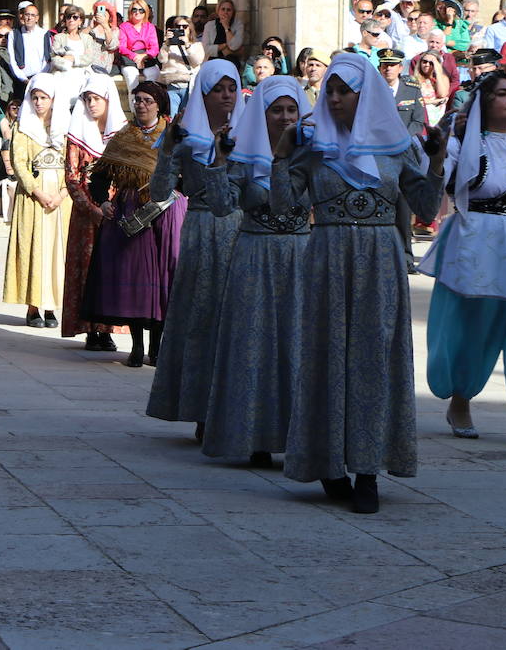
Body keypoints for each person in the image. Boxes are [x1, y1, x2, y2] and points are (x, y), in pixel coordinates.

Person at [273, 53, 444, 514]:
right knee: (326, 354)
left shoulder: (397, 145)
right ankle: (329, 463)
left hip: (380, 260)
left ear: (364, 94)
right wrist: (282, 157)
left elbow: (425, 207)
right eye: (329, 89)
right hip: (327, 257)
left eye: (343, 90)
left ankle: (367, 469)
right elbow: (284, 204)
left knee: (373, 358)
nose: (333, 98)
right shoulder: (313, 145)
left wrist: (437, 160)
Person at [200, 77, 311, 467]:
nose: (284, 117)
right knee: (255, 345)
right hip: (255, 256)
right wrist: (219, 160)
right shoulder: (244, 156)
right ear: (261, 113)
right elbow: (219, 207)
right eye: (276, 110)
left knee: (299, 344)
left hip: (301, 257)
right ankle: (255, 436)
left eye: (291, 110)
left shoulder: (313, 154)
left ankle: (300, 434)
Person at [146, 60, 244, 435]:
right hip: (202, 229)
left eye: (231, 88)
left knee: (236, 317)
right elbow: (159, 193)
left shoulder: (253, 132)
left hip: (242, 230)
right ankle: (201, 406)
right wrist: (168, 151)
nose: (225, 95)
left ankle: (235, 404)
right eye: (217, 88)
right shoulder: (187, 134)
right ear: (202, 91)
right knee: (202, 316)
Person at [421, 72, 506, 441]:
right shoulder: (467, 144)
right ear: (484, 103)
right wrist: (443, 143)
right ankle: (461, 398)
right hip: (479, 243)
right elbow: (439, 174)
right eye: (501, 94)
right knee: (476, 325)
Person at [81, 82, 187, 368]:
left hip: (166, 212)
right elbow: (100, 175)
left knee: (164, 279)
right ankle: (138, 347)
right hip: (130, 213)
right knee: (137, 283)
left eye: (148, 100)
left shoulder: (173, 136)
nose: (141, 105)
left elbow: (188, 173)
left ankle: (158, 348)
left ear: (160, 105)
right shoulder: (123, 137)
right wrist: (102, 201)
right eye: (137, 99)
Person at [63, 72, 126, 350]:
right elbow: (72, 177)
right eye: (87, 99)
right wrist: (91, 208)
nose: (91, 104)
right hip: (87, 215)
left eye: (96, 99)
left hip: (116, 213)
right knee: (87, 270)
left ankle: (108, 328)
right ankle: (90, 329)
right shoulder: (77, 136)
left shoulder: (123, 136)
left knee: (112, 270)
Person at [2, 72, 71, 328]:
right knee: (34, 248)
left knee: (56, 250)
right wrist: (37, 192)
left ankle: (52, 306)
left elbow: (73, 163)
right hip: (34, 195)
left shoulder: (65, 125)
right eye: (35, 97)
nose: (40, 102)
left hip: (60, 196)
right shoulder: (23, 126)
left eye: (44, 97)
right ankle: (33, 306)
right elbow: (18, 163)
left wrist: (63, 193)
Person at [377, 48, 428, 273]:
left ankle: (406, 257)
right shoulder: (372, 90)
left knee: (403, 209)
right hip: (379, 155)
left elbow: (418, 121)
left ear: (400, 67)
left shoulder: (411, 89)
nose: (388, 68)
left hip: (405, 156)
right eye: (384, 64)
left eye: (392, 64)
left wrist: (401, 141)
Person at [157, 15, 204, 115]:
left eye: (185, 27)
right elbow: (162, 59)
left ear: (190, 28)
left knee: (186, 117)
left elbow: (197, 61)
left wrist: (187, 45)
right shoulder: (168, 46)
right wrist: (166, 44)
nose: (181, 29)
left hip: (188, 86)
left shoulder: (197, 45)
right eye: (178, 27)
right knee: (172, 117)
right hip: (172, 85)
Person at [4, 2, 51, 99]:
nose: (29, 18)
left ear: (37, 18)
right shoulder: (14, 34)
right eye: (27, 15)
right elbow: (11, 59)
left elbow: (47, 58)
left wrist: (39, 77)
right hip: (21, 80)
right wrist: (24, 79)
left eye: (32, 15)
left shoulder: (44, 34)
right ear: (22, 16)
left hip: (40, 79)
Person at [117, 0, 160, 97]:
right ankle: (135, 106)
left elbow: (155, 48)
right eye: (134, 10)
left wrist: (143, 56)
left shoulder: (150, 27)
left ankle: (150, 103)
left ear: (146, 12)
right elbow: (122, 47)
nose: (137, 12)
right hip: (130, 59)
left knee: (153, 73)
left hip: (146, 59)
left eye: (141, 10)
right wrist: (135, 57)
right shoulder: (124, 26)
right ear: (130, 11)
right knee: (132, 76)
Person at [200, 0, 245, 65]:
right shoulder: (209, 25)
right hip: (212, 61)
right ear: (218, 11)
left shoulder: (238, 25)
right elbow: (206, 49)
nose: (225, 12)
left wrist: (226, 27)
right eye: (223, 9)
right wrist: (224, 46)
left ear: (233, 12)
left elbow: (234, 46)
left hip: (231, 62)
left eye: (228, 10)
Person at [85, 0, 121, 75]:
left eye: (105, 12)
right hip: (87, 65)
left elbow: (112, 46)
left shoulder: (113, 30)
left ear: (109, 16)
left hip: (103, 66)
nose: (101, 14)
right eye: (99, 11)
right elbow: (79, 40)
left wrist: (105, 26)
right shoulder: (90, 28)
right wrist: (90, 27)